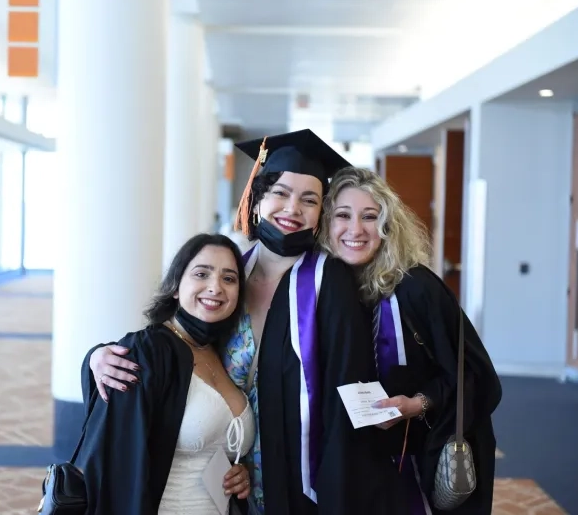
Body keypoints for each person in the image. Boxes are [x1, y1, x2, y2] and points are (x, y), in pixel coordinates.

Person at [88, 130, 406, 514]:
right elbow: (176, 341)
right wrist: (98, 356)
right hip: (227, 475)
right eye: (281, 193)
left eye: (309, 199)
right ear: (257, 198)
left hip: (298, 480)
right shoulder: (231, 272)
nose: (292, 208)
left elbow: (345, 396)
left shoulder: (330, 283)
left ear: (321, 212)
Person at [321, 167, 502, 514]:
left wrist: (417, 403)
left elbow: (475, 376)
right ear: (326, 225)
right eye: (343, 215)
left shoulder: (417, 288)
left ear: (388, 227)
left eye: (370, 217)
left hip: (414, 464)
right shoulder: (324, 292)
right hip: (352, 465)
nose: (355, 229)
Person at [75, 233, 255, 514]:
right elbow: (115, 462)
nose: (215, 287)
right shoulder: (149, 351)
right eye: (201, 273)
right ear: (175, 286)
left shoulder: (225, 352)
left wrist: (239, 472)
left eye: (229, 278)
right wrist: (94, 357)